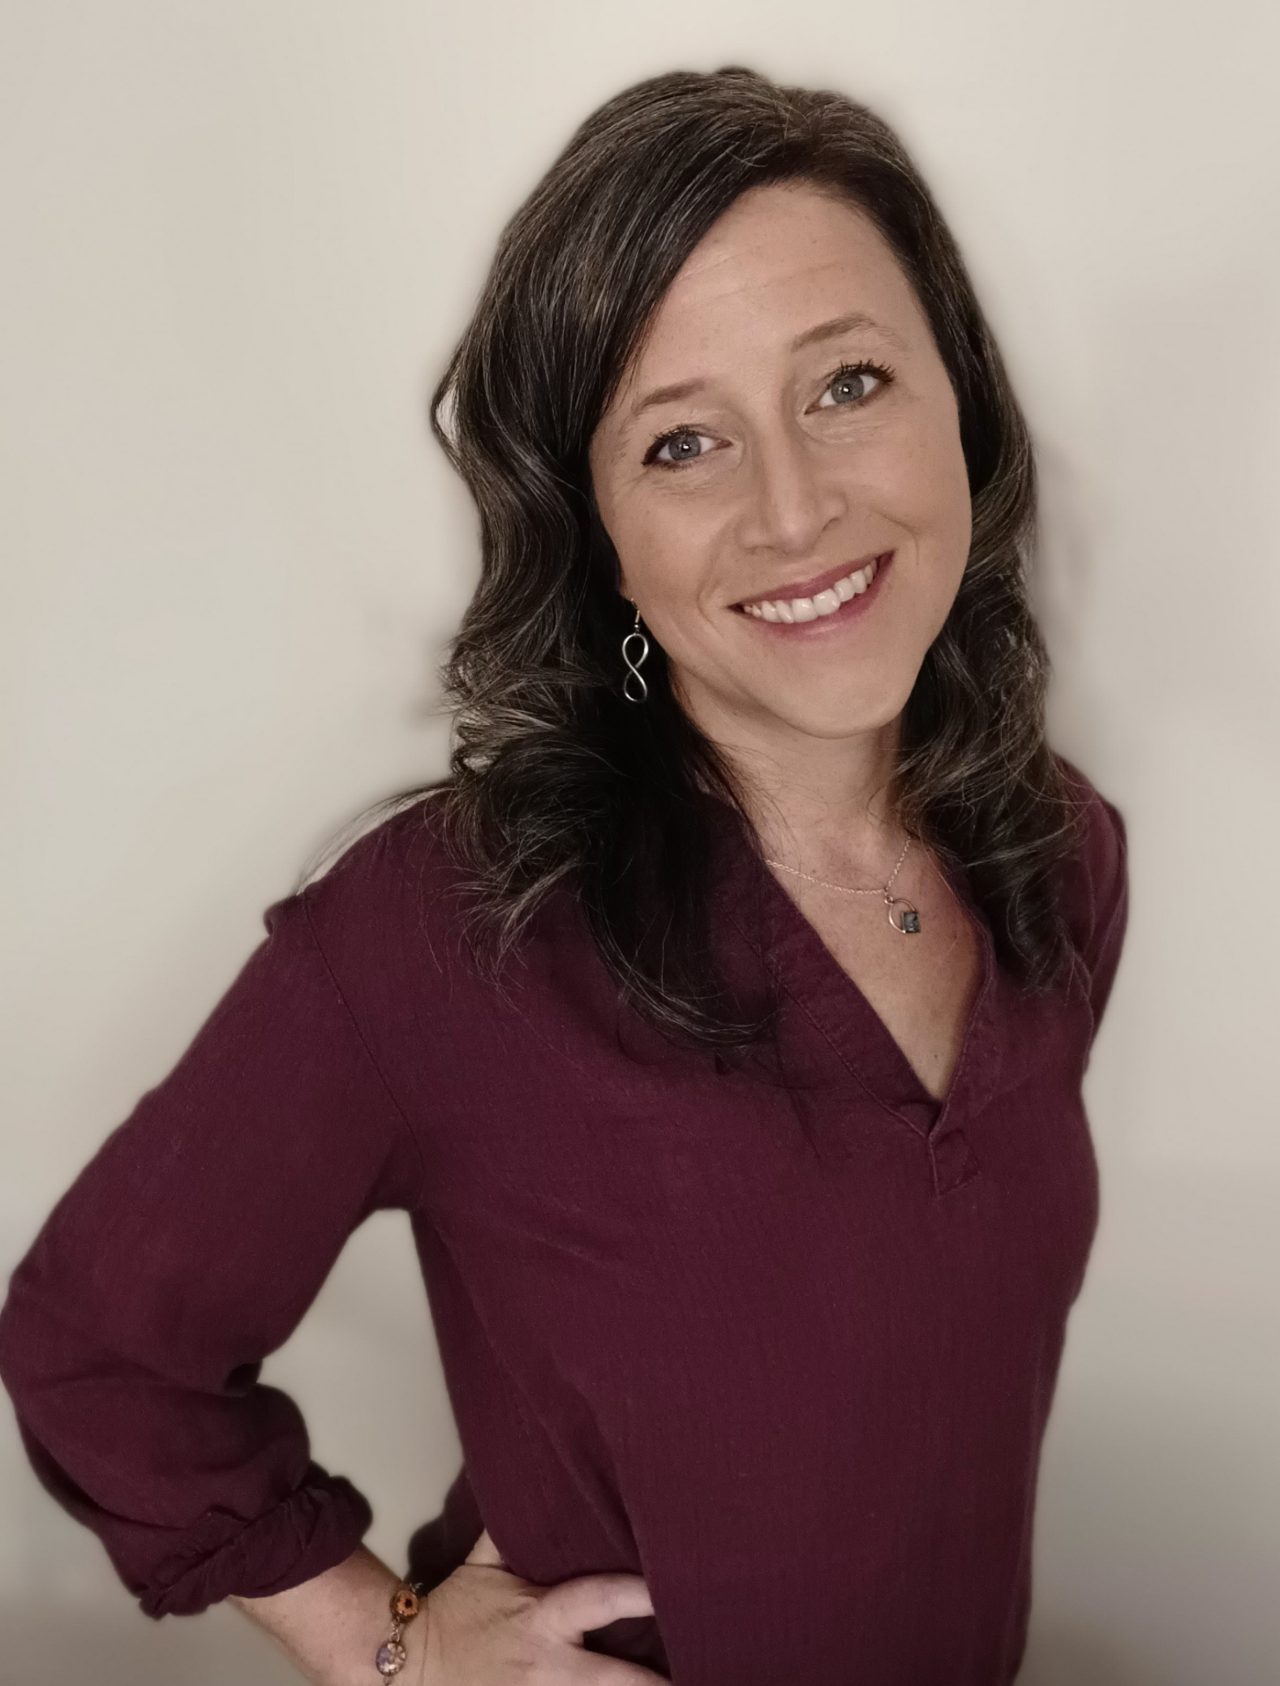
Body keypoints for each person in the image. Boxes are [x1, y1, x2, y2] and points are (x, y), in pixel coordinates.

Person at [0, 63, 1130, 1686]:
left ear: (963, 397)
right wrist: (391, 1645)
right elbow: (96, 1344)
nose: (796, 508)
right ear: (594, 523)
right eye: (683, 442)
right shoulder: (446, 932)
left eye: (849, 383)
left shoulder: (1063, 860)